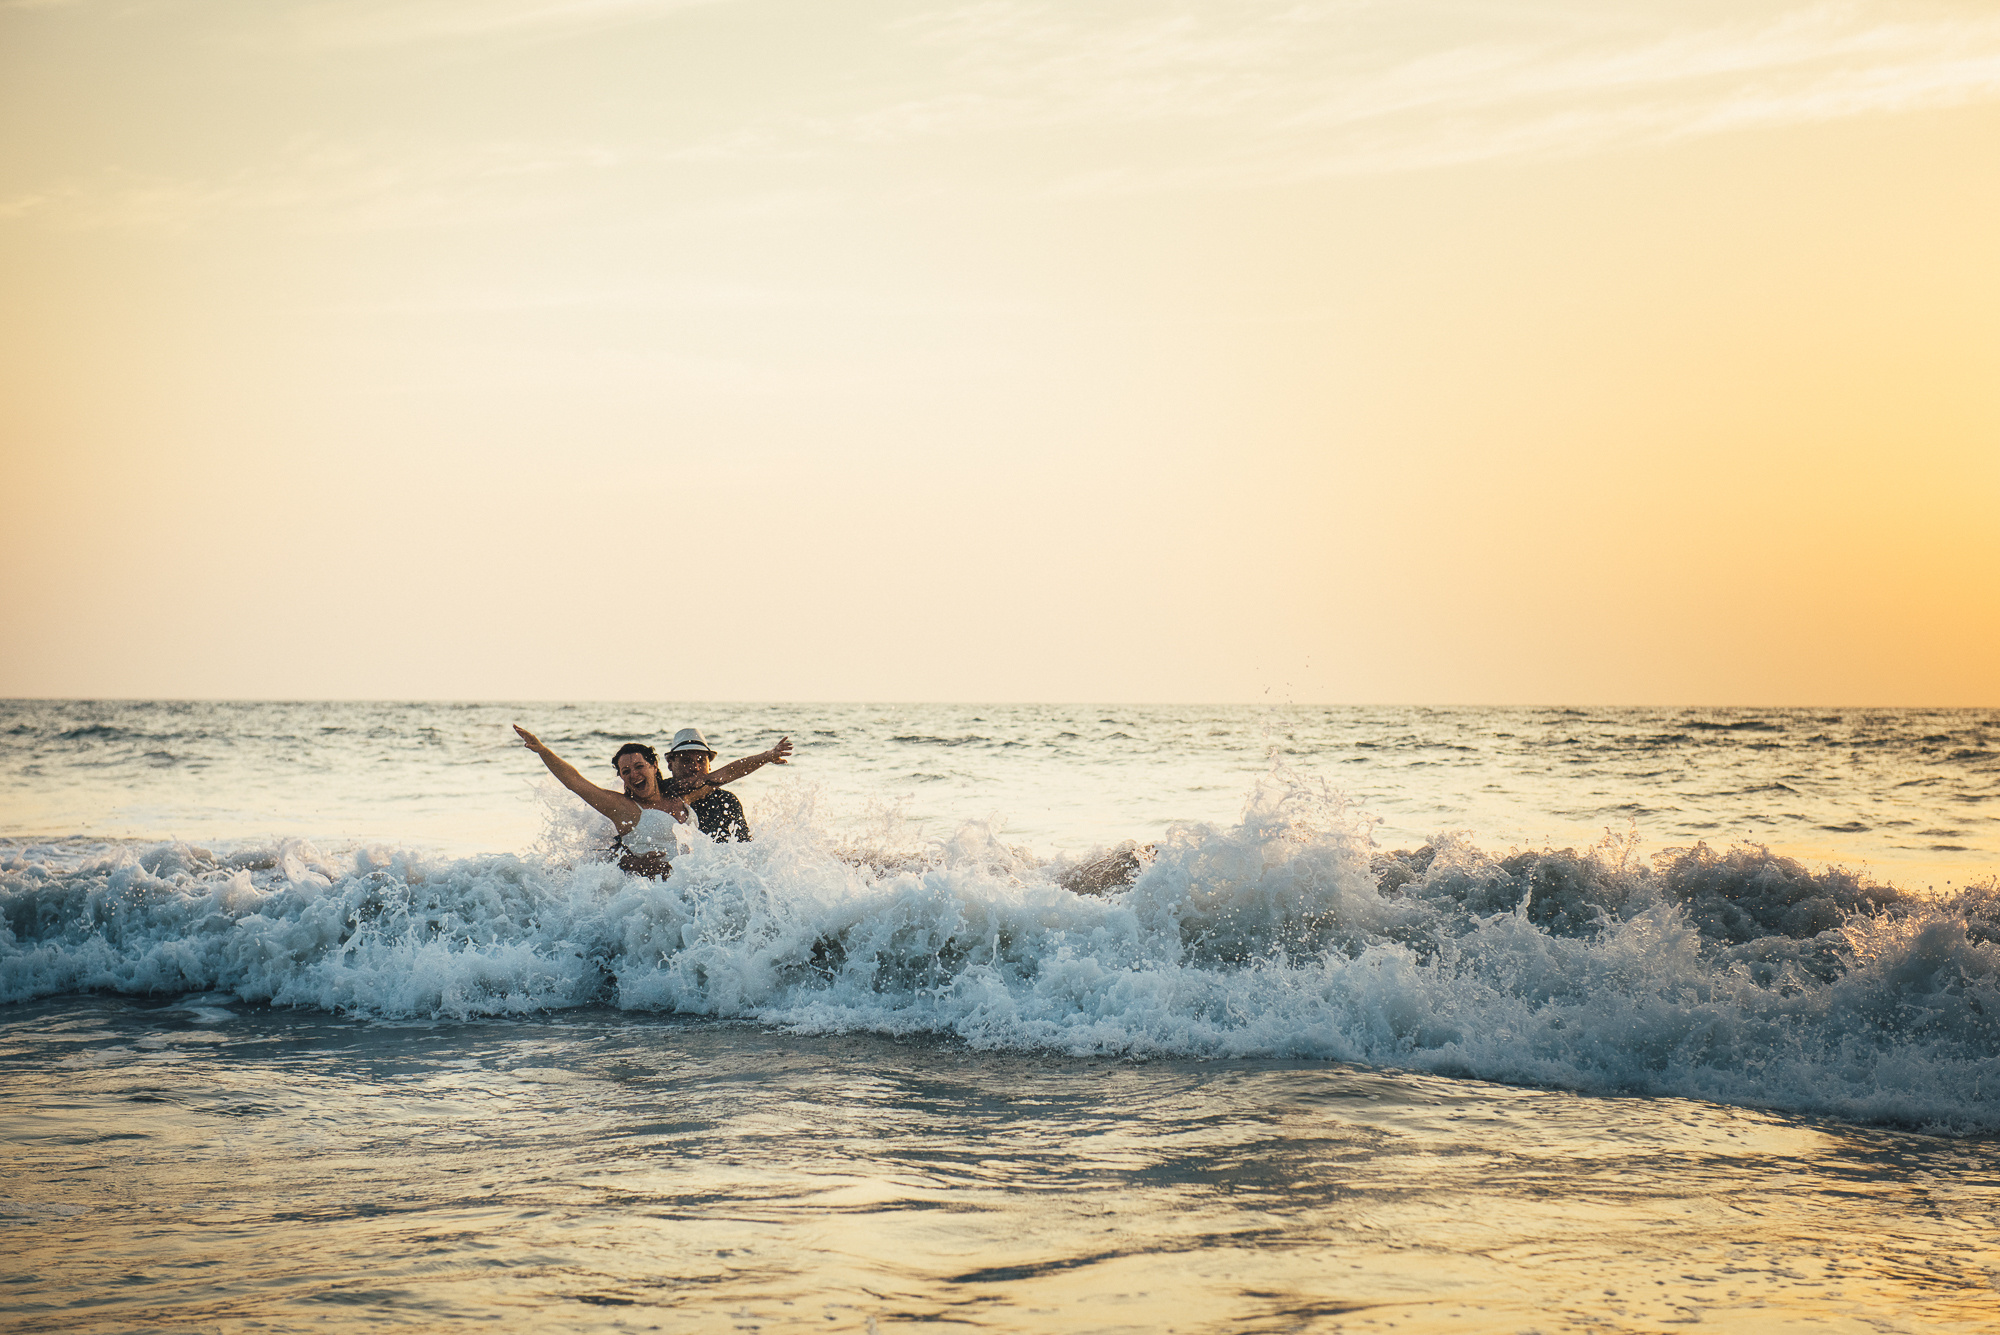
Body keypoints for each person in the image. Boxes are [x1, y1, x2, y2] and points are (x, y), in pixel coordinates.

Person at [514, 725, 792, 878]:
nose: (634, 774)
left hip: (693, 885)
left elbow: (726, 774)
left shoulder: (682, 795)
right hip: (653, 896)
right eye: (626, 771)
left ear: (653, 766)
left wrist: (767, 756)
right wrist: (543, 750)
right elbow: (576, 783)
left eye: (639, 766)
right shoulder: (623, 808)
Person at [665, 727, 779, 841]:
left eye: (701, 760)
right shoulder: (661, 793)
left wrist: (767, 757)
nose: (695, 767)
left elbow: (744, 846)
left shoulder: (726, 800)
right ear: (670, 765)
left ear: (709, 765)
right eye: (686, 761)